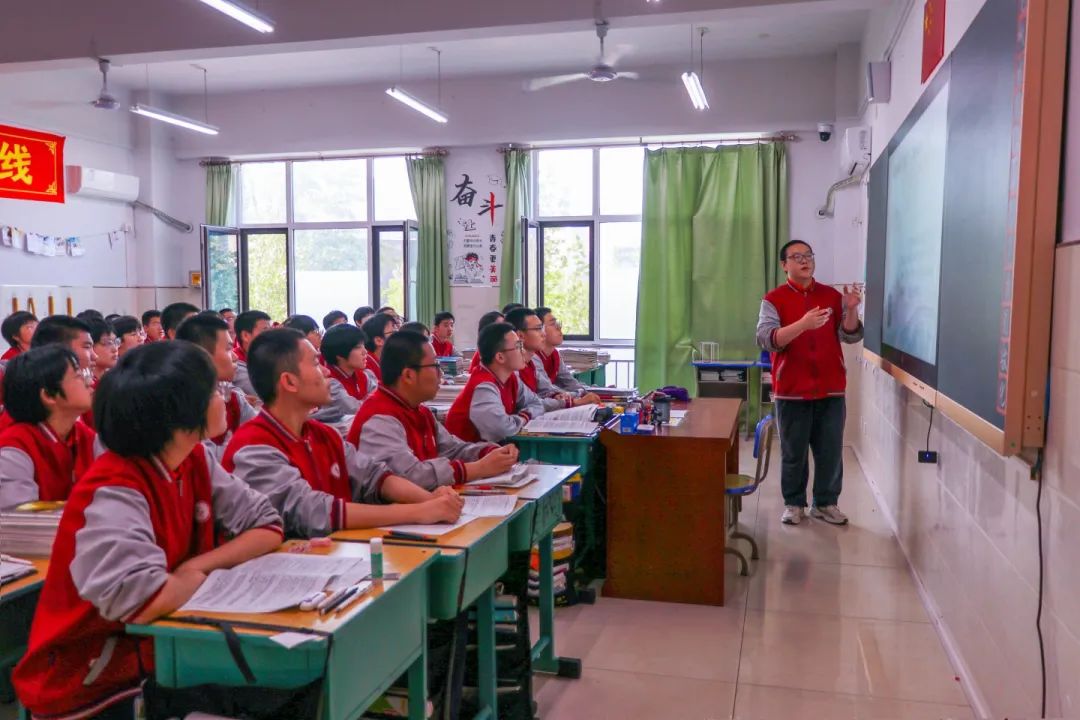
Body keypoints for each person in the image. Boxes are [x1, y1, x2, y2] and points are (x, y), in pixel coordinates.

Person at [12, 342, 283, 720]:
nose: (224, 399)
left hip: (164, 657)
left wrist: (198, 566)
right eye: (214, 393)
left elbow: (268, 524)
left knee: (285, 686)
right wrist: (206, 574)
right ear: (181, 413)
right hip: (90, 685)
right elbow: (144, 600)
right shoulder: (116, 486)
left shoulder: (195, 459)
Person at [222, 329, 464, 538]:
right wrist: (418, 512)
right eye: (316, 364)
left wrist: (429, 501)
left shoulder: (324, 435)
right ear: (289, 382)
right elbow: (313, 511)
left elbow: (375, 477)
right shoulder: (254, 445)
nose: (327, 372)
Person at [756, 239, 863, 526]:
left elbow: (851, 335)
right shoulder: (773, 299)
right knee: (794, 453)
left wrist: (851, 309)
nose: (805, 260)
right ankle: (794, 504)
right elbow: (767, 339)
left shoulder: (830, 296)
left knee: (830, 452)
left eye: (809, 255)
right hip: (791, 391)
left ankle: (826, 503)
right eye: (797, 256)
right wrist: (802, 324)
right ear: (784, 265)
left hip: (830, 389)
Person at [348, 331, 518, 490]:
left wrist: (490, 452)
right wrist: (478, 468)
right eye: (435, 365)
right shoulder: (380, 418)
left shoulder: (420, 411)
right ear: (408, 375)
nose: (441, 373)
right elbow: (409, 476)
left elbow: (453, 449)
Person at [0, 346, 99, 510]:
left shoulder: (84, 436)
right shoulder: (15, 447)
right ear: (48, 395)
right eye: (78, 376)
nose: (89, 382)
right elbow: (19, 520)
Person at [445, 322, 544, 443]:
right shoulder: (483, 386)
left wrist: (524, 415)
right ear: (500, 357)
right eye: (518, 346)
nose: (524, 351)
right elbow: (502, 429)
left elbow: (536, 403)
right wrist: (524, 416)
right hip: (470, 457)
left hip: (493, 452)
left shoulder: (510, 378)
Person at [176, 313, 257, 459]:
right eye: (228, 349)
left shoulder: (233, 400)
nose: (235, 357)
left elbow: (261, 436)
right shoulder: (179, 406)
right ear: (202, 355)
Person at [505, 308, 599, 411]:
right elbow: (531, 402)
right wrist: (571, 401)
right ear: (520, 335)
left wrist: (557, 395)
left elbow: (546, 391)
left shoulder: (531, 361)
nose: (543, 334)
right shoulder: (513, 367)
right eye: (538, 329)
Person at [313, 323, 377, 422]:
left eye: (363, 345)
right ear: (339, 354)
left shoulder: (365, 375)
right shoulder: (329, 382)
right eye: (357, 347)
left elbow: (379, 402)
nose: (365, 351)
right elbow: (355, 409)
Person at [535, 307, 590, 396]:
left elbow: (569, 381)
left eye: (557, 323)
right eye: (553, 324)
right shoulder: (533, 357)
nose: (559, 328)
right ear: (540, 330)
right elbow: (548, 388)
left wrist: (585, 393)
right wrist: (576, 394)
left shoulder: (555, 354)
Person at [233, 310, 272, 398]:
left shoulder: (266, 358)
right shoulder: (236, 365)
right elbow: (268, 396)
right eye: (265, 331)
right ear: (245, 335)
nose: (271, 336)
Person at [360, 312, 399, 384]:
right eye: (394, 332)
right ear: (379, 341)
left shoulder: (389, 358)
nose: (399, 336)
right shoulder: (365, 363)